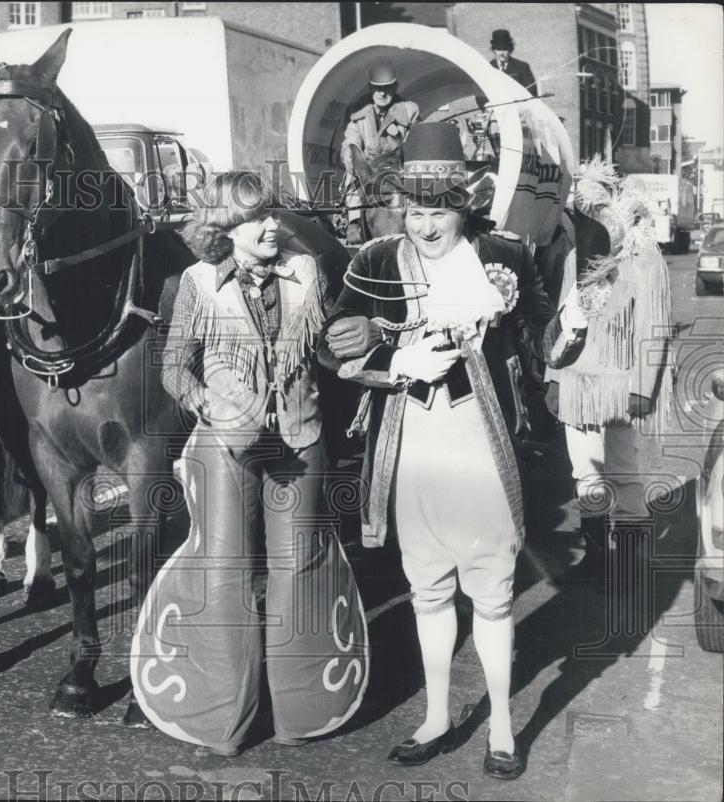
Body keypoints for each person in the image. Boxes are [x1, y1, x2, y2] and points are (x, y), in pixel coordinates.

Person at [318, 123, 587, 780]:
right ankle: (437, 715)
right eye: (414, 210)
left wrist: (569, 332)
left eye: (437, 210)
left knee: (493, 594)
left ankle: (500, 725)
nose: (425, 225)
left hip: (480, 445)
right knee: (427, 589)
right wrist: (391, 357)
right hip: (410, 447)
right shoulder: (375, 261)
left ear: (463, 206)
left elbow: (541, 336)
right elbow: (334, 349)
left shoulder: (507, 254)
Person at [130, 171, 369, 756]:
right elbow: (174, 366)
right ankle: (221, 721)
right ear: (222, 227)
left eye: (272, 214)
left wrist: (364, 345)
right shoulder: (195, 283)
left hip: (299, 438)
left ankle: (301, 712)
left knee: (300, 569)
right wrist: (204, 400)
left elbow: (322, 348)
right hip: (227, 445)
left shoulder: (307, 273)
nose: (270, 226)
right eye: (253, 218)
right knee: (224, 572)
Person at [548, 159, 673, 590]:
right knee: (584, 471)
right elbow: (564, 324)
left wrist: (643, 388)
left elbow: (653, 327)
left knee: (620, 469)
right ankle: (598, 556)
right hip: (578, 383)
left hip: (620, 384)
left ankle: (633, 559)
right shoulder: (574, 258)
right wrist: (552, 379)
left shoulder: (645, 259)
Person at [341, 63, 420, 244]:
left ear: (395, 88)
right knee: (353, 173)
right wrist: (361, 155)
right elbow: (349, 144)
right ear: (371, 89)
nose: (382, 94)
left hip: (399, 168)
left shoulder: (408, 112)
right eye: (377, 89)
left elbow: (417, 142)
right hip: (371, 170)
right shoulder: (358, 117)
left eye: (387, 89)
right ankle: (353, 222)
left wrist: (399, 139)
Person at [489, 29, 538, 97]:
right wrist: (486, 104)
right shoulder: (487, 67)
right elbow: (480, 93)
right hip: (492, 106)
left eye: (505, 49)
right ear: (493, 50)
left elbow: (531, 91)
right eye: (498, 49)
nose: (502, 53)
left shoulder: (523, 67)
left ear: (510, 50)